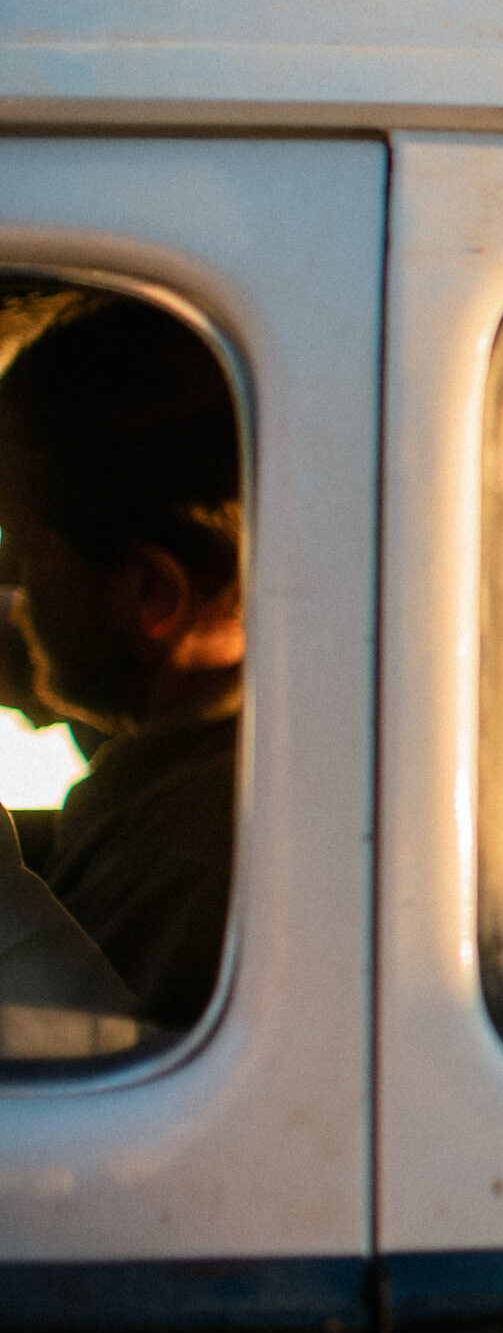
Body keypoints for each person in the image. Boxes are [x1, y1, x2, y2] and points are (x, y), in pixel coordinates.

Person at [0, 296, 244, 1030]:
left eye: (25, 555)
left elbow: (82, 1071)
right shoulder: (213, 771)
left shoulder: (190, 862)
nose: (12, 589)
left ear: (149, 593)